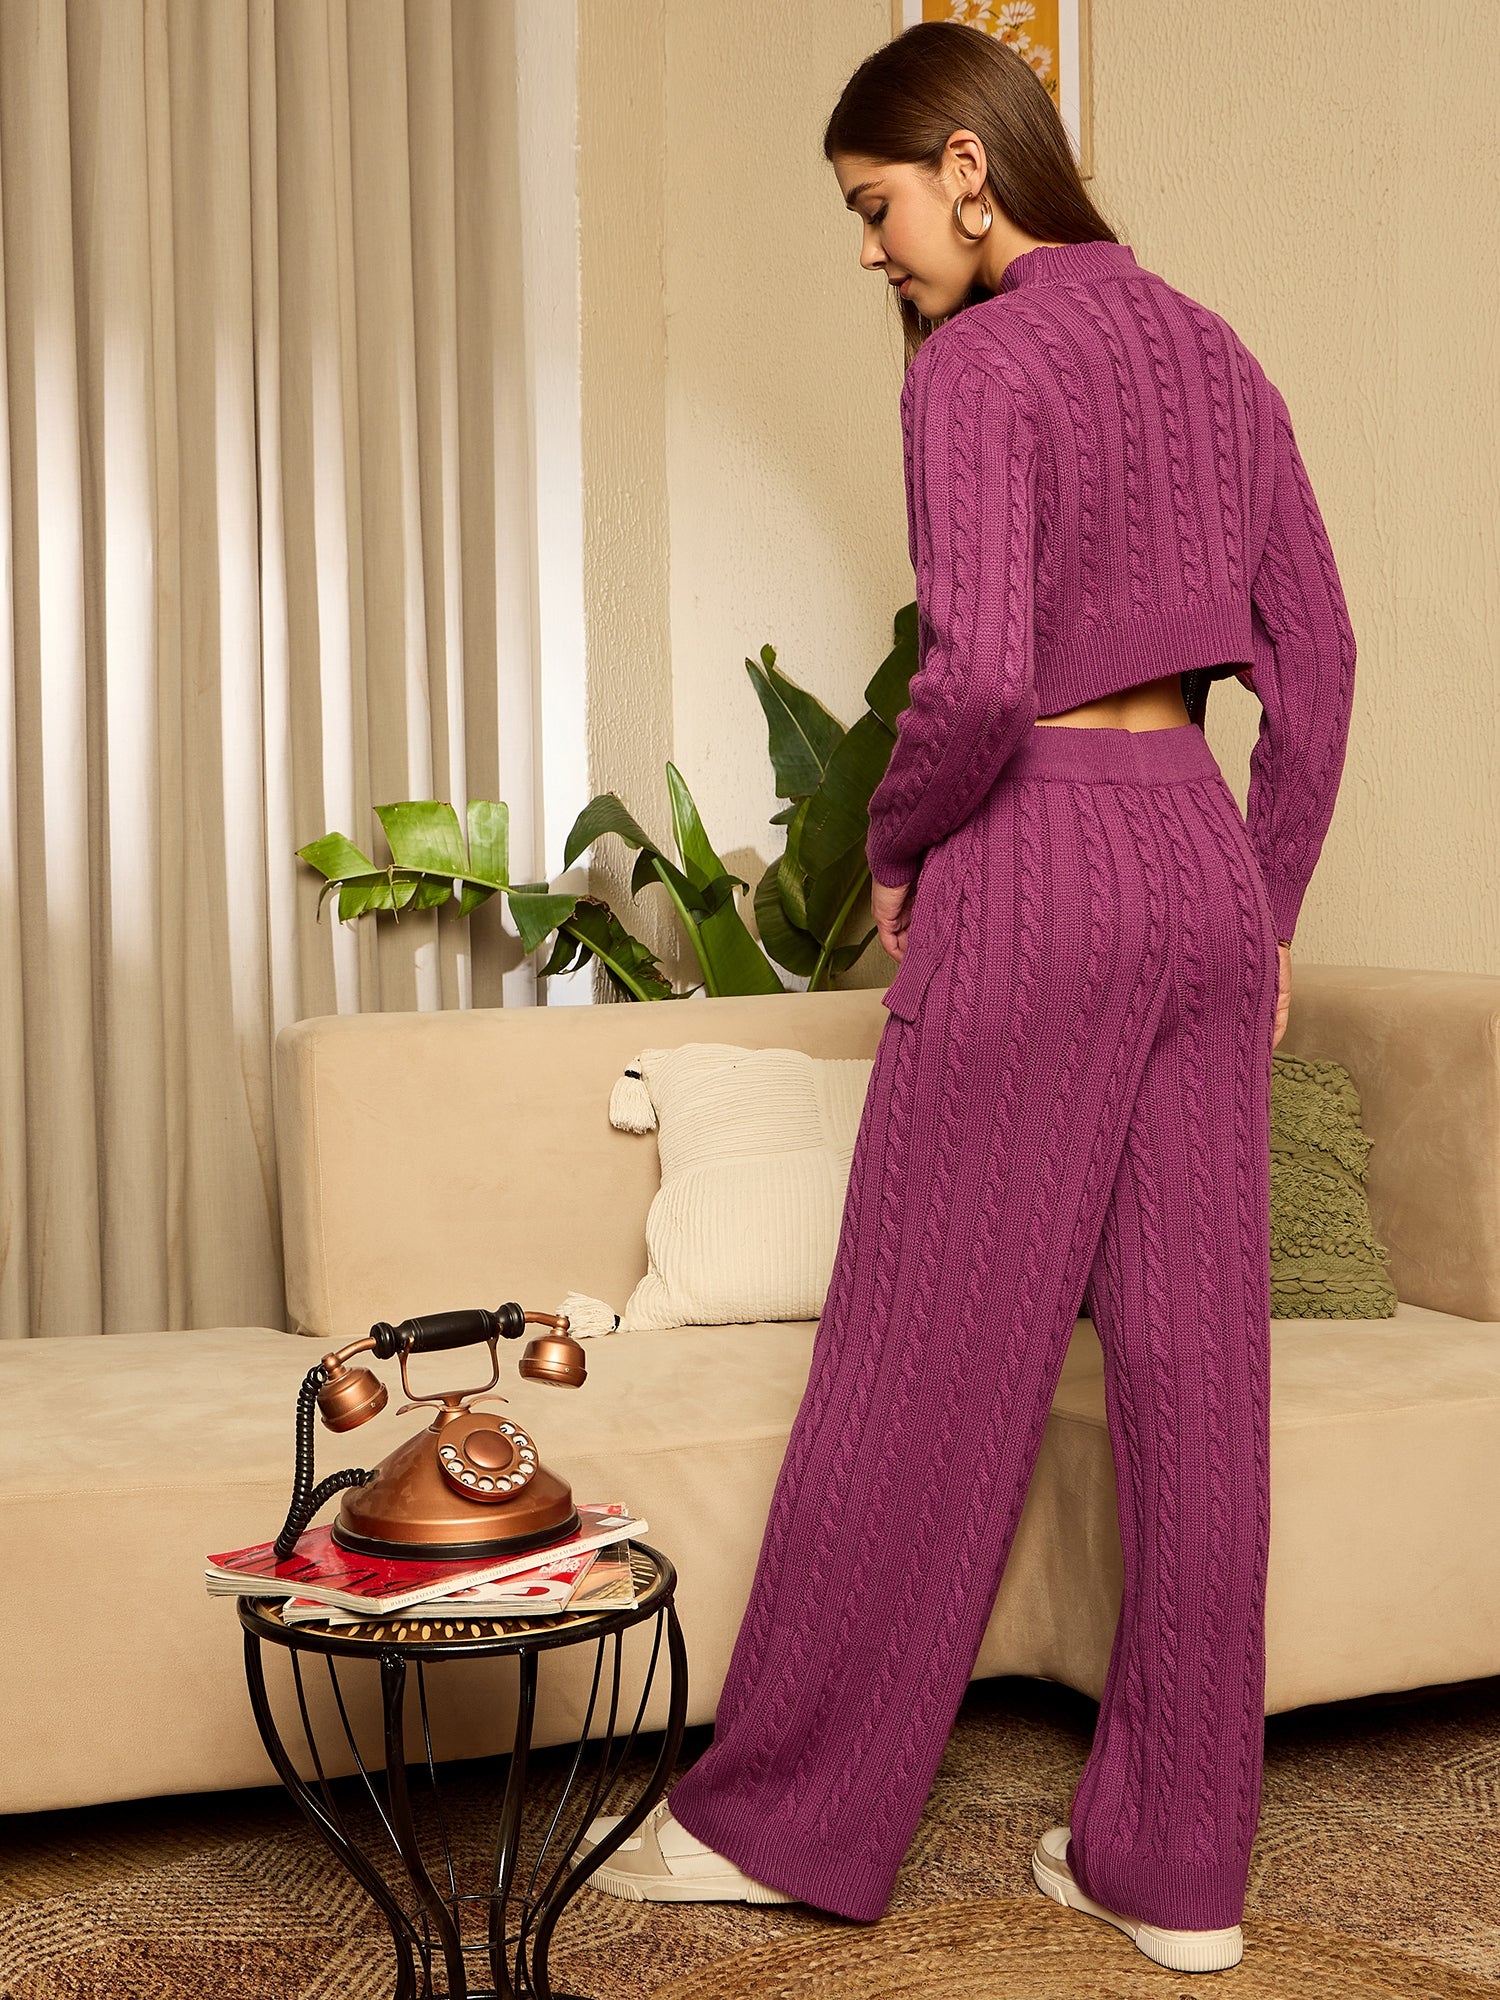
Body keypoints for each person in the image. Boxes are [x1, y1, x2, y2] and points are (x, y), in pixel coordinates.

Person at [579, 19, 1356, 1979]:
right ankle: (1179, 1870)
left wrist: (902, 844)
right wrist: (1263, 910)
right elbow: (1324, 664)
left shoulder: (980, 368)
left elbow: (983, 674)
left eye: (875, 206)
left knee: (920, 1356)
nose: (872, 251)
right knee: (1201, 1385)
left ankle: (776, 1819)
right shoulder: (1220, 355)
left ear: (969, 166)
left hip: (1041, 857)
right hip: (1196, 865)